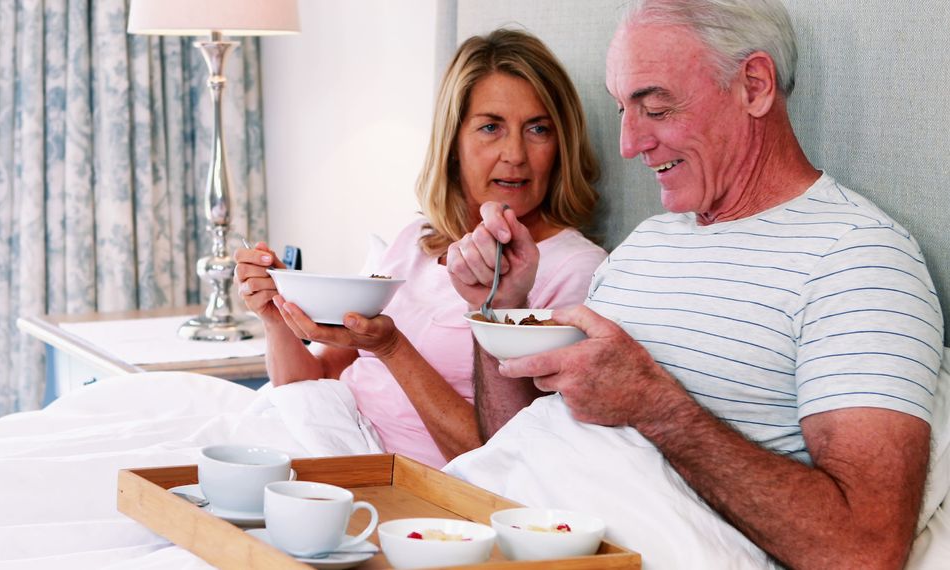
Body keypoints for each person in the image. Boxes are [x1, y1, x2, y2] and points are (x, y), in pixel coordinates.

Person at [455, 2, 944, 568]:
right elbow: (520, 444)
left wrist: (653, 403)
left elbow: (865, 548)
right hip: (496, 524)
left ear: (754, 85)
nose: (629, 144)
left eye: (655, 107)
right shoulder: (646, 245)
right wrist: (501, 306)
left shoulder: (857, 257)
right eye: (622, 109)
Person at [233, 29, 608, 470]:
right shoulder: (416, 240)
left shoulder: (573, 269)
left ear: (560, 145)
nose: (516, 154)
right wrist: (274, 315)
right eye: (491, 127)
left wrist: (394, 348)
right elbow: (314, 379)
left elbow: (507, 462)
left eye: (537, 129)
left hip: (420, 485)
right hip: (334, 442)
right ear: (453, 145)